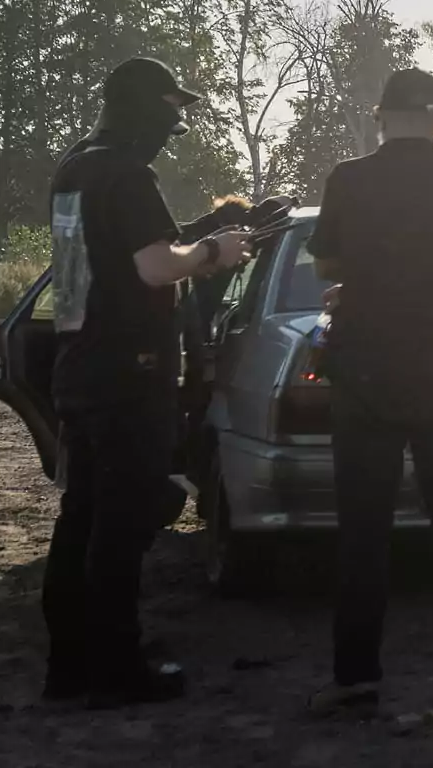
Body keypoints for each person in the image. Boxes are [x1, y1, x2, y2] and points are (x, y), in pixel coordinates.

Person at [44, 57, 270, 707]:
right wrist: (214, 253)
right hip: (129, 374)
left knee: (81, 517)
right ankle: (117, 669)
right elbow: (152, 267)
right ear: (146, 108)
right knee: (121, 525)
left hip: (79, 365)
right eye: (171, 112)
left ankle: (69, 665)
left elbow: (117, 254)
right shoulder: (127, 173)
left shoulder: (75, 167)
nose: (174, 128)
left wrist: (201, 236)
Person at [307, 68, 433, 718]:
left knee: (363, 530)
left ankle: (357, 677)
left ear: (380, 119)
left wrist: (361, 281)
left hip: (367, 373)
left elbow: (327, 262)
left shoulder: (348, 179)